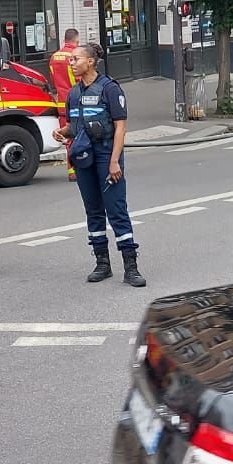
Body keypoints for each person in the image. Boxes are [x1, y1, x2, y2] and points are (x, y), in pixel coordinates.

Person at [55, 42, 146, 287]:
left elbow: (120, 127)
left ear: (91, 62)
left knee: (116, 210)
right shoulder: (74, 94)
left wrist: (115, 161)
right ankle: (102, 264)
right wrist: (62, 132)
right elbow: (76, 126)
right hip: (84, 157)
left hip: (107, 156)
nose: (71, 63)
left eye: (76, 59)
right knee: (93, 211)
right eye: (71, 60)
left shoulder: (110, 89)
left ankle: (131, 267)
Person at [49, 28, 82, 182]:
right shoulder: (74, 57)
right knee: (81, 135)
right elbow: (80, 80)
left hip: (61, 103)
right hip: (76, 102)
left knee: (68, 138)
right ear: (76, 41)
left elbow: (54, 81)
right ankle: (82, 168)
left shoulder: (54, 57)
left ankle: (71, 170)